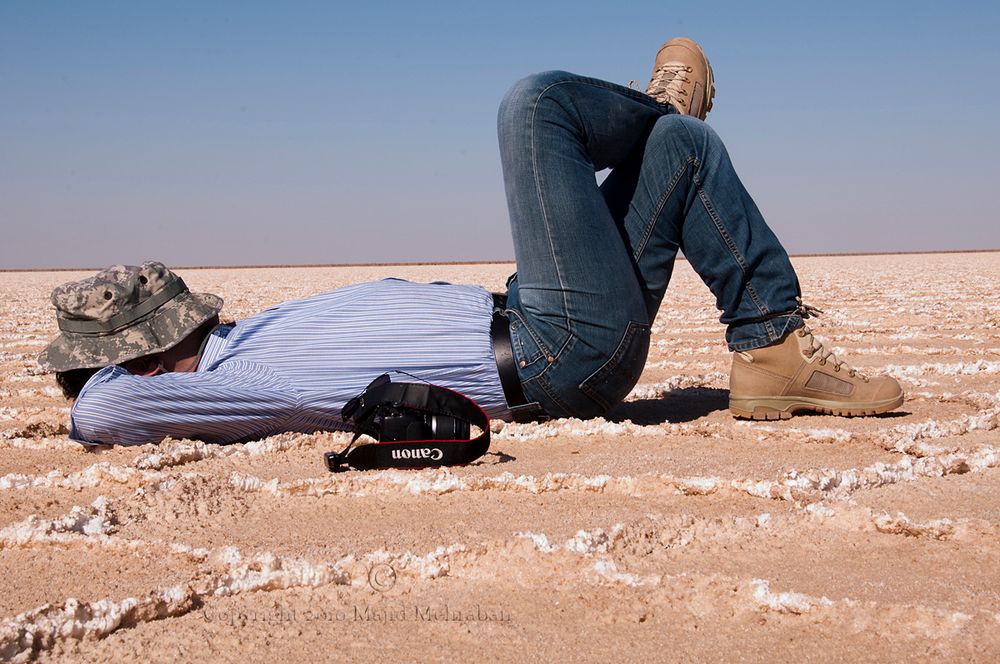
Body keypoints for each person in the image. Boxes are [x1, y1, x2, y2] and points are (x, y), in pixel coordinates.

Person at [38, 38, 903, 446]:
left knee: (681, 155)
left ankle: (772, 348)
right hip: (553, 349)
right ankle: (659, 110)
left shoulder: (238, 344)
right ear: (145, 358)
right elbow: (101, 411)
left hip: (536, 309)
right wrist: (100, 374)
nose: (188, 320)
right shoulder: (212, 388)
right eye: (166, 325)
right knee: (534, 106)